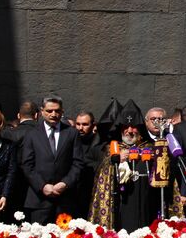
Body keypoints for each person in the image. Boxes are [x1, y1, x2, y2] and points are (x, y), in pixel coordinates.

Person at [89, 101, 162, 231]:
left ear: (140, 128)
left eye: (133, 127)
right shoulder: (111, 149)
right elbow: (101, 173)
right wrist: (115, 159)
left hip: (145, 201)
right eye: (125, 127)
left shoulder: (150, 148)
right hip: (121, 201)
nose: (129, 131)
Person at [19, 96, 84, 224]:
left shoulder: (71, 133)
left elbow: (78, 163)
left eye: (57, 111)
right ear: (42, 111)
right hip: (39, 200)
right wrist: (42, 186)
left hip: (65, 199)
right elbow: (27, 164)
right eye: (49, 111)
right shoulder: (32, 134)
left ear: (62, 111)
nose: (53, 114)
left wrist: (65, 183)